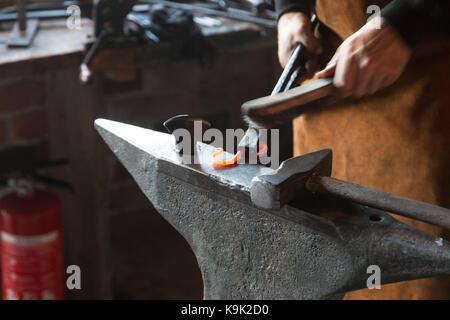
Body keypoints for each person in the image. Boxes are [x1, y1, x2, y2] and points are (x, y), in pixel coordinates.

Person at [274, 0, 450, 299]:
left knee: (409, 270)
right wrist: (290, 10)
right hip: (327, 78)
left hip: (424, 79)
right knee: (322, 245)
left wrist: (405, 20)